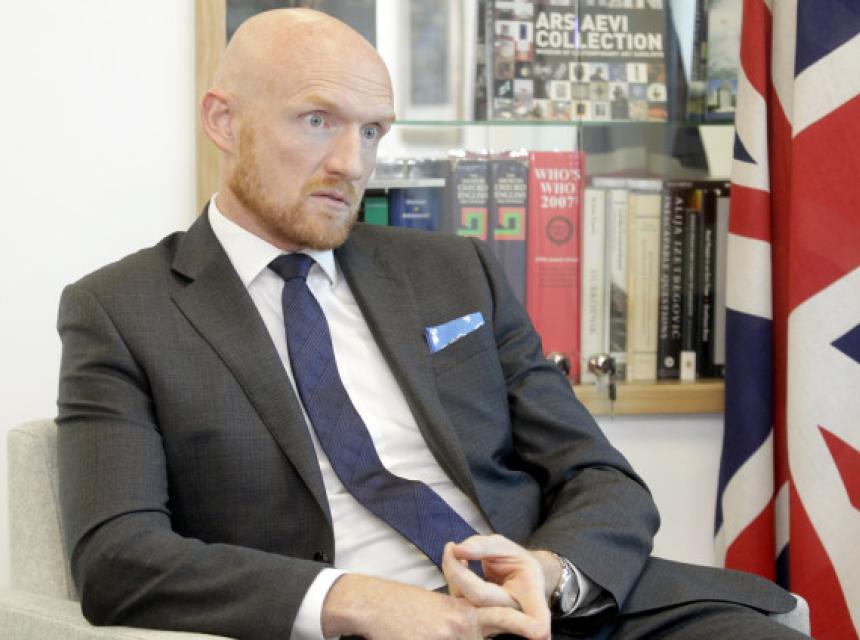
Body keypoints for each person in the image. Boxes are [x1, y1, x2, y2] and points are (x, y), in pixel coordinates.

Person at [56, 8, 804, 640]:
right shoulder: (122, 311)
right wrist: (358, 601)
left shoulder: (453, 270)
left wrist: (547, 572)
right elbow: (117, 556)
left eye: (373, 131)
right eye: (318, 121)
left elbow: (598, 474)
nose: (352, 163)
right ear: (224, 120)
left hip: (556, 611)